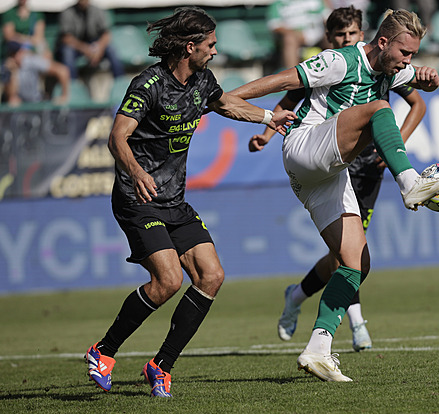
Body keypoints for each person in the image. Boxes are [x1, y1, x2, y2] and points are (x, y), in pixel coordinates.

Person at [230, 9, 439, 381]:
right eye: (405, 53)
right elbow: (280, 81)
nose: (408, 61)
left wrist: (428, 79)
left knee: (356, 262)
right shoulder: (339, 61)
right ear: (383, 43)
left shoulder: (394, 68)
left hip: (325, 175)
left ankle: (318, 348)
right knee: (379, 109)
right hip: (305, 146)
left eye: (414, 55)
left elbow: (422, 86)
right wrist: (222, 100)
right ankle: (410, 183)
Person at [84, 7, 296, 397]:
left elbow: (228, 104)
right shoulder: (148, 85)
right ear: (190, 46)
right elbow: (117, 137)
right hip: (138, 197)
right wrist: (136, 171)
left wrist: (269, 116)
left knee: (212, 277)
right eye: (210, 45)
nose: (215, 52)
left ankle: (160, 367)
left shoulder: (203, 81)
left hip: (174, 199)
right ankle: (103, 351)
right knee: (168, 280)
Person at [56, 0, 124, 79]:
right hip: (76, 46)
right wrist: (85, 49)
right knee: (67, 52)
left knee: (111, 49)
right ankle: (72, 85)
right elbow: (66, 38)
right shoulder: (67, 12)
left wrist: (99, 49)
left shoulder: (97, 10)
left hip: (94, 43)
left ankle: (120, 82)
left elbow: (106, 34)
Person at [1, 40, 69, 105]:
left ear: (21, 51)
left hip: (37, 101)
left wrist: (64, 96)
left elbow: (62, 70)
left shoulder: (31, 61)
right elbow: (11, 95)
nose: (15, 56)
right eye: (11, 54)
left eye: (16, 53)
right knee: (13, 102)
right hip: (21, 105)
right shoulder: (7, 68)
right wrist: (13, 72)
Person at [266, 0, 329, 70]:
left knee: (331, 35)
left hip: (318, 33)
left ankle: (336, 70)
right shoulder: (278, 3)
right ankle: (291, 74)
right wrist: (295, 33)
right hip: (295, 36)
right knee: (289, 39)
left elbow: (327, 17)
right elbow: (275, 26)